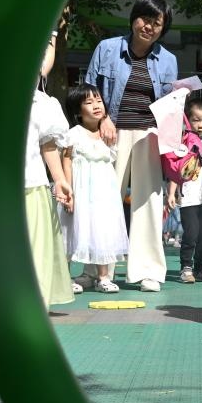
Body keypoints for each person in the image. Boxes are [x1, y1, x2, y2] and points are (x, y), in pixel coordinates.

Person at [85, 0, 178, 292]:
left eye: (156, 23)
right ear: (133, 18)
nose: (148, 27)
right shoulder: (107, 48)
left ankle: (148, 271)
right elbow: (89, 90)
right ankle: (96, 271)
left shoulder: (168, 60)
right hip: (110, 133)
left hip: (149, 135)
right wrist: (103, 119)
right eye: (144, 19)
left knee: (148, 204)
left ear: (163, 29)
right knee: (104, 200)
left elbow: (169, 105)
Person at [58, 84, 129, 294]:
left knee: (102, 232)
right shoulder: (73, 134)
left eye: (98, 100)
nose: (96, 105)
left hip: (103, 195)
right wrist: (69, 191)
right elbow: (67, 161)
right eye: (88, 102)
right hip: (79, 191)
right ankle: (63, 278)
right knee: (70, 231)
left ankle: (103, 278)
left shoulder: (108, 135)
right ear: (78, 111)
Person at [24, 84, 75, 308]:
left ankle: (34, 302)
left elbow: (48, 145)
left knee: (36, 250)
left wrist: (60, 179)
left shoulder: (41, 102)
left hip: (32, 185)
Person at [167, 99, 202, 284]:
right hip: (189, 199)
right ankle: (186, 268)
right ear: (187, 120)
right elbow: (175, 172)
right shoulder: (182, 145)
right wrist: (171, 193)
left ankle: (200, 268)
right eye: (196, 120)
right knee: (191, 234)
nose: (201, 125)